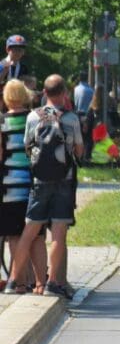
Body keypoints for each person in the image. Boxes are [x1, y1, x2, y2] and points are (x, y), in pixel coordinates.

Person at [5, 74, 84, 297]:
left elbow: (27, 146)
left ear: (44, 93)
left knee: (29, 232)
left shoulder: (32, 117)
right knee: (58, 234)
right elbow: (79, 151)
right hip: (64, 181)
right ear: (65, 94)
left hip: (39, 182)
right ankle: (51, 284)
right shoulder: (71, 119)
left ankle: (13, 280)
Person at [0, 80, 46, 294]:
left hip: (10, 187)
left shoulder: (2, 122)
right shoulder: (34, 118)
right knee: (36, 235)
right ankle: (39, 282)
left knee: (14, 236)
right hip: (34, 185)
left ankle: (19, 282)